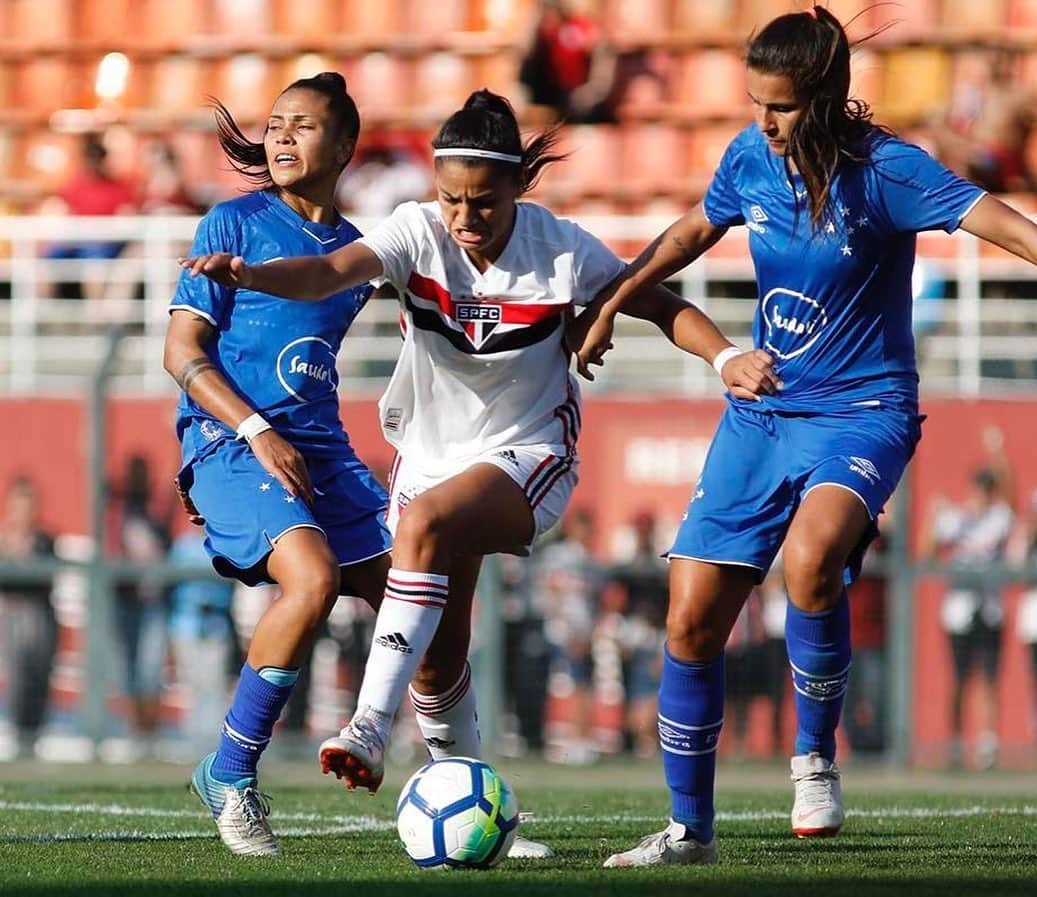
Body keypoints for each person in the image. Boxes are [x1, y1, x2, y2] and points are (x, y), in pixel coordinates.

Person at [180, 87, 774, 849]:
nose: (463, 218)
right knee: (436, 654)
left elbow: (657, 304)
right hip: (429, 457)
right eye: (450, 198)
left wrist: (724, 354)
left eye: (483, 203)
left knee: (417, 531)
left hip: (527, 453)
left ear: (519, 188)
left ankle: (365, 726)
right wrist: (253, 276)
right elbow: (328, 272)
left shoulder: (561, 249)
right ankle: (481, 808)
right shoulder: (413, 233)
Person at [569, 5, 1037, 867]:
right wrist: (611, 302)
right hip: (763, 409)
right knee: (688, 623)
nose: (762, 121)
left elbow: (995, 222)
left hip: (863, 410)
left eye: (779, 106)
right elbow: (689, 230)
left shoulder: (888, 170)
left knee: (809, 560)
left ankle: (813, 757)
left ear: (822, 98)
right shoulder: (749, 157)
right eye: (754, 102)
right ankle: (689, 832)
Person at [927, 460, 1014, 770]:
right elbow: (929, 553)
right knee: (959, 678)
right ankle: (955, 742)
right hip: (959, 611)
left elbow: (1011, 500)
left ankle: (987, 745)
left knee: (989, 677)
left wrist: (997, 453)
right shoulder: (956, 519)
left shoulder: (999, 518)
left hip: (990, 609)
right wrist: (932, 518)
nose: (983, 495)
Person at [104, 453, 171, 764]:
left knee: (150, 670)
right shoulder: (117, 507)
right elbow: (91, 462)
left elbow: (172, 482)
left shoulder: (156, 509)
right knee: (126, 672)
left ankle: (150, 735)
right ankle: (135, 733)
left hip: (153, 601)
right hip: (121, 600)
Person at [0, 475, 58, 760]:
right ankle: (17, 733)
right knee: (17, 676)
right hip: (12, 613)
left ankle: (35, 734)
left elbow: (48, 578)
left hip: (40, 613)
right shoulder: (3, 539)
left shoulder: (45, 540)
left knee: (39, 676)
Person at [42, 133, 137, 301]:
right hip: (75, 241)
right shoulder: (74, 185)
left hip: (103, 244)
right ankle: (41, 313)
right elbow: (60, 210)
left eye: (97, 158)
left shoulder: (119, 188)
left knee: (94, 264)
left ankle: (95, 318)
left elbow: (126, 218)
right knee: (45, 261)